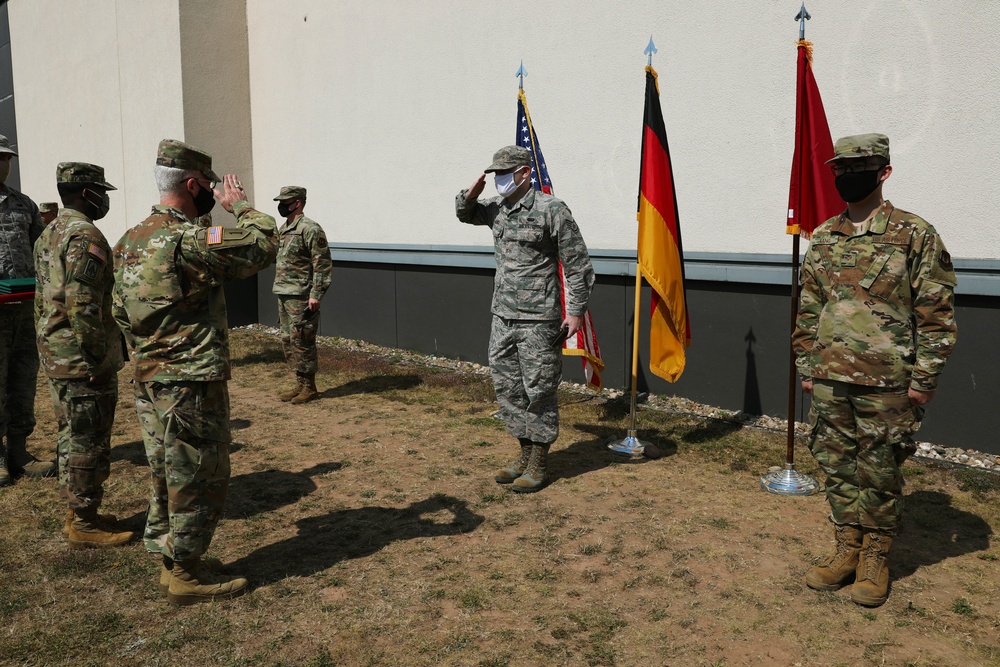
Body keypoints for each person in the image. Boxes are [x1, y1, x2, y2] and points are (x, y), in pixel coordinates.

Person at [793, 133, 958, 607]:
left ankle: (875, 558)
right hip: (828, 378)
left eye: (859, 168)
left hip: (887, 382)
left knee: (880, 469)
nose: (849, 177)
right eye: (841, 169)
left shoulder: (914, 234)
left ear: (883, 172)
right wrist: (808, 365)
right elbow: (809, 308)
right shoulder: (824, 236)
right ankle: (847, 549)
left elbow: (936, 313)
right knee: (836, 465)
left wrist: (924, 379)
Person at [113, 139, 277, 605]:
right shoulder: (186, 240)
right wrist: (240, 206)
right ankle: (185, 573)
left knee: (167, 468)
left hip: (150, 377)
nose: (212, 194)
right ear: (192, 184)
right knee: (199, 471)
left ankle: (174, 558)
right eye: (208, 187)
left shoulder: (132, 239)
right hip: (190, 379)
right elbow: (264, 243)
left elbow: (118, 311)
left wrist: (151, 348)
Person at [455, 145, 594, 493]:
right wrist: (470, 193)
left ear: (524, 173)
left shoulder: (552, 209)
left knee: (539, 389)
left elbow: (577, 264)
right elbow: (464, 213)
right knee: (508, 387)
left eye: (504, 173)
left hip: (539, 319)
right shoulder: (497, 209)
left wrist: (575, 311)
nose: (499, 180)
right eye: (495, 174)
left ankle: (539, 460)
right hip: (502, 315)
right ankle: (523, 452)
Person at [34, 162, 131, 548]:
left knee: (70, 433)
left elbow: (47, 298)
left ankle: (78, 510)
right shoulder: (83, 234)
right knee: (88, 437)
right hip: (80, 357)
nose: (105, 199)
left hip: (57, 351)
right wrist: (96, 359)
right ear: (85, 193)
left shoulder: (50, 231)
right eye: (101, 192)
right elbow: (82, 303)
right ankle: (84, 522)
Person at [0, 134, 55, 486]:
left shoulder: (23, 204)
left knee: (22, 381)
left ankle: (19, 452)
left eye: (6, 158)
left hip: (23, 311)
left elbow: (42, 251)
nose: (3, 164)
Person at [271, 186, 332, 404]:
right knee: (288, 340)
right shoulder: (284, 228)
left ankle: (310, 387)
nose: (281, 205)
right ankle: (299, 383)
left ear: (297, 203)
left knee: (303, 340)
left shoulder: (310, 229)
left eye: (285, 202)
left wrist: (316, 294)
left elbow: (322, 264)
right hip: (284, 292)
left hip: (302, 295)